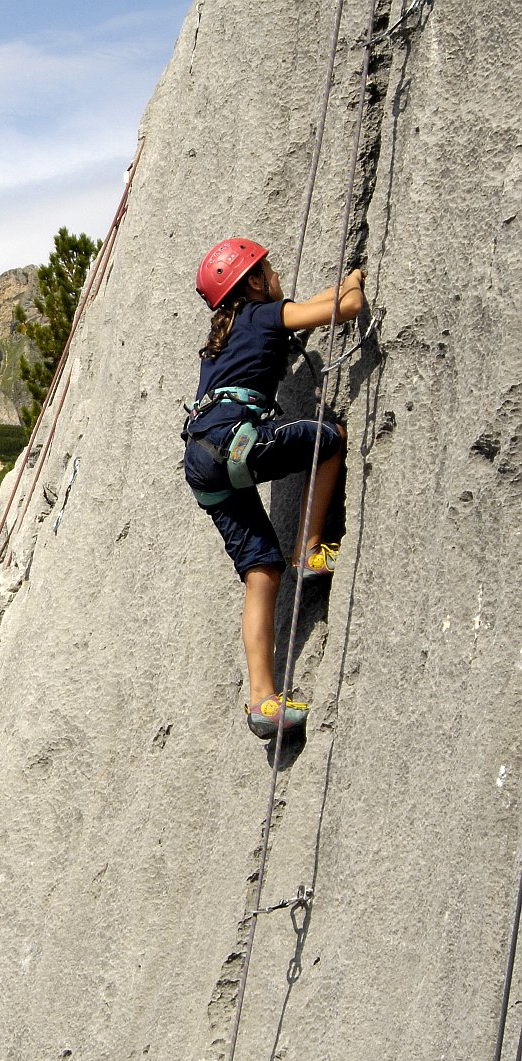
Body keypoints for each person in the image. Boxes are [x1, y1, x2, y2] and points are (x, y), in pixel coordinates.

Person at [182, 237, 364, 739]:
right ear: (255, 283)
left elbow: (310, 309)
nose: (276, 275)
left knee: (261, 568)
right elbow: (344, 308)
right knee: (330, 441)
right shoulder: (263, 315)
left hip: (201, 460)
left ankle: (263, 700)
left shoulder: (221, 340)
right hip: (236, 441)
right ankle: (310, 549)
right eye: (269, 269)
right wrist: (354, 282)